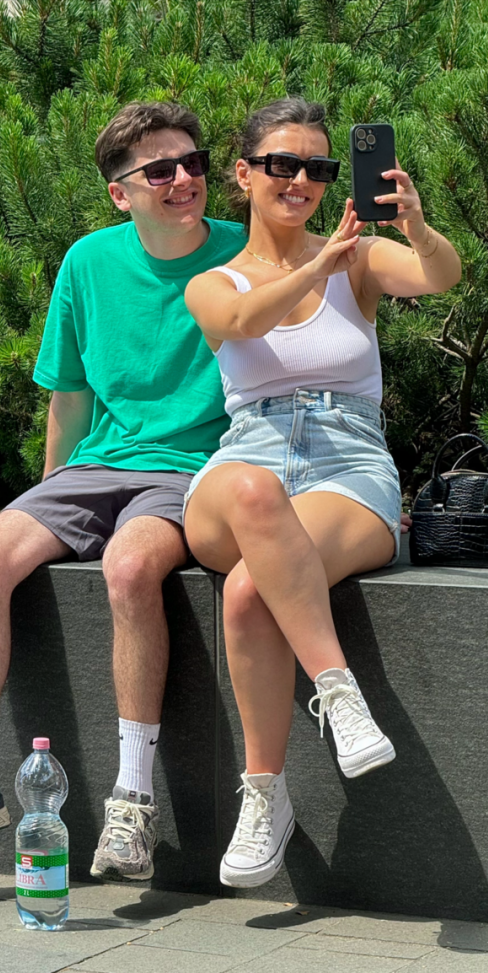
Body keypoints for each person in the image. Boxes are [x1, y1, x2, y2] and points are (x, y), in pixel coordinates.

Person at [0, 101, 246, 882]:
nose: (185, 179)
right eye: (161, 170)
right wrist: (42, 505)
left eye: (194, 163)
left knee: (130, 566)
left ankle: (132, 804)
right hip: (96, 467)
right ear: (121, 192)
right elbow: (70, 399)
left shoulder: (244, 253)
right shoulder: (87, 262)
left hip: (192, 468)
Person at [183, 97, 461, 889]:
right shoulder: (213, 281)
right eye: (282, 164)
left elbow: (443, 276)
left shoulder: (361, 258)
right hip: (246, 460)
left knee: (249, 592)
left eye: (319, 167)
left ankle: (263, 797)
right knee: (253, 490)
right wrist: (314, 266)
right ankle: (340, 694)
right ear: (243, 174)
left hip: (349, 464)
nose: (300, 180)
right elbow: (241, 320)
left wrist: (415, 226)